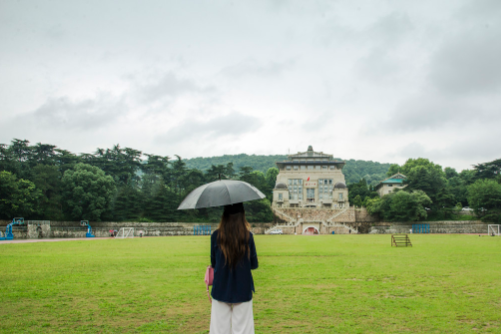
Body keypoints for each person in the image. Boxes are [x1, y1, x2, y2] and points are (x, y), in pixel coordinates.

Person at [210, 203, 258, 334]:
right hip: (243, 287)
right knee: (243, 329)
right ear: (242, 215)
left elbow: (214, 263)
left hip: (220, 287)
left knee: (219, 329)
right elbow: (254, 264)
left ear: (224, 216)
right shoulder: (248, 237)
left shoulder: (216, 236)